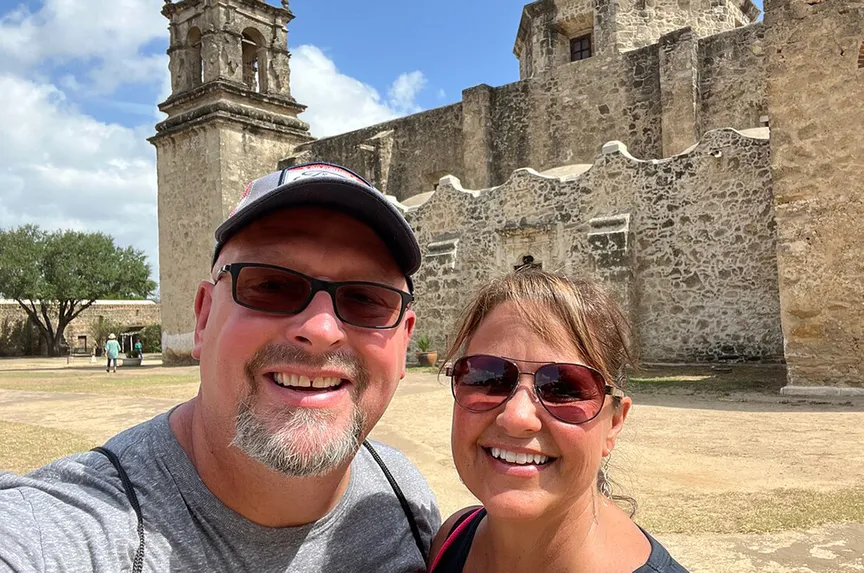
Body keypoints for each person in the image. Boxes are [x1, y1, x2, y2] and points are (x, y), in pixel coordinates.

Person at [0, 163, 440, 572]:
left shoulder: (400, 494)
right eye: (270, 285)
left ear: (404, 341)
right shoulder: (73, 525)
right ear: (203, 317)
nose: (321, 329)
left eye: (365, 299)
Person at [428, 270, 689, 572]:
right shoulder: (450, 541)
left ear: (614, 423)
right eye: (487, 377)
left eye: (563, 388)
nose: (517, 417)